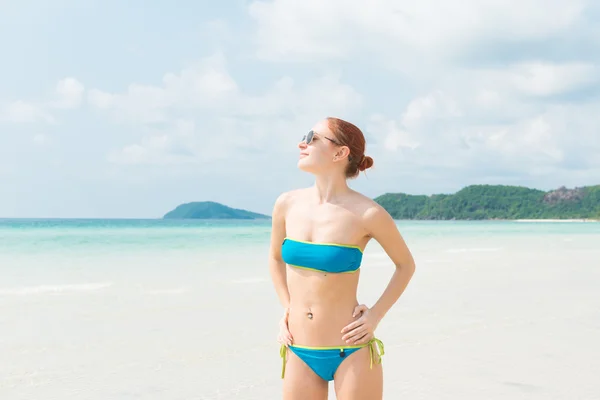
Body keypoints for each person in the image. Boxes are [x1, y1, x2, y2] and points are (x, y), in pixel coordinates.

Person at [268, 117, 416, 399]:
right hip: (298, 347)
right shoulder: (286, 204)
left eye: (313, 138)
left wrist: (375, 316)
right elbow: (275, 259)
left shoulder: (367, 213)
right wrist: (287, 308)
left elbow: (405, 265)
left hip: (351, 348)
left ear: (340, 152)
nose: (303, 143)